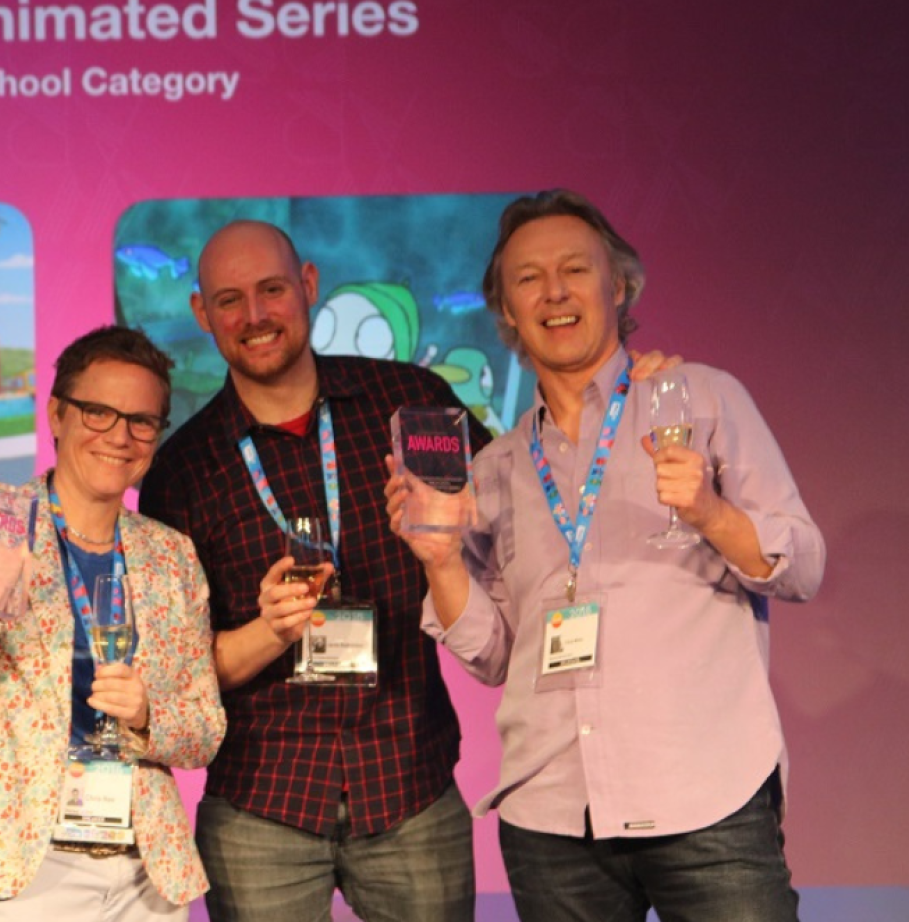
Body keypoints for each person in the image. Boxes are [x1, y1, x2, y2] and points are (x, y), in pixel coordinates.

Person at [387, 189, 825, 921]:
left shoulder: (702, 402)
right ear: (507, 312)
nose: (554, 292)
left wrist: (711, 512)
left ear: (617, 286)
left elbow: (803, 567)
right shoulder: (493, 469)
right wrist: (437, 561)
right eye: (528, 278)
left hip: (705, 795)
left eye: (574, 270)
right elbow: (495, 656)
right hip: (552, 812)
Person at [139, 219, 486, 922]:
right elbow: (177, 670)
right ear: (203, 314)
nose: (255, 316)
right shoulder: (181, 470)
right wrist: (267, 630)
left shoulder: (410, 403)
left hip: (409, 783)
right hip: (262, 807)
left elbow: (514, 518)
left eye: (272, 290)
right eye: (229, 300)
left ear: (308, 285)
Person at [0, 325, 225, 920]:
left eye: (141, 421)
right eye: (98, 413)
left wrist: (150, 714)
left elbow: (204, 731)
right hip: (13, 860)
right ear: (58, 416)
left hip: (143, 866)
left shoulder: (171, 555)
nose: (120, 436)